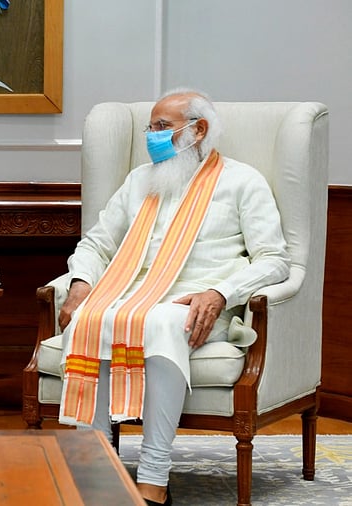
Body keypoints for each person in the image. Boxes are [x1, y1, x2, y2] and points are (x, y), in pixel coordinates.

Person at [56, 89, 290, 505]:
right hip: (129, 299)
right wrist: (81, 284)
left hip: (197, 310)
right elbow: (96, 244)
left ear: (198, 131)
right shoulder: (138, 181)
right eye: (150, 127)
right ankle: (93, 466)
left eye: (162, 127)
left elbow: (274, 260)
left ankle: (153, 476)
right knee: (90, 317)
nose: (152, 136)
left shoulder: (242, 181)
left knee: (163, 320)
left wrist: (220, 292)